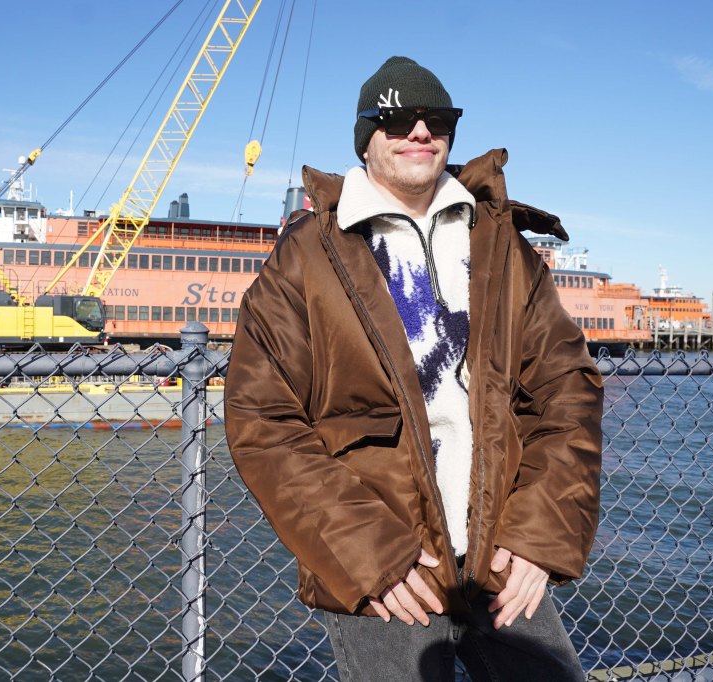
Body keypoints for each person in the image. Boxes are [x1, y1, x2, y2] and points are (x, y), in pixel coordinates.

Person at [224, 56, 603, 681]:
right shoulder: (304, 257)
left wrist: (540, 536)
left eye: (438, 119)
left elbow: (566, 393)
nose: (420, 132)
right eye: (397, 119)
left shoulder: (503, 243)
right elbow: (262, 420)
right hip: (386, 563)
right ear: (365, 139)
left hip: (500, 548)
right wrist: (369, 557)